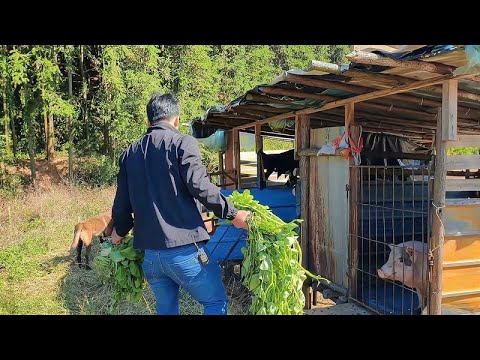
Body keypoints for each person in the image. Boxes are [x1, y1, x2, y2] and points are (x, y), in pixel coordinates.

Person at [110, 92, 249, 315]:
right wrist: (233, 214)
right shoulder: (183, 143)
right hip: (184, 252)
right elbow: (200, 185)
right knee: (215, 303)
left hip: (151, 257)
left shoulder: (130, 153)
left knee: (166, 309)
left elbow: (122, 201)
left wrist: (119, 230)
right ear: (176, 119)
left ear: (149, 121)